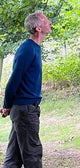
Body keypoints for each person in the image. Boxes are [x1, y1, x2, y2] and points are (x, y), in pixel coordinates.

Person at [1, 11, 52, 168]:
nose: (49, 22)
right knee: (33, 156)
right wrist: (7, 105)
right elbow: (14, 79)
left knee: (13, 158)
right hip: (25, 110)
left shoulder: (35, 48)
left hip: (26, 109)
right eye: (46, 21)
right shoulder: (27, 49)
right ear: (38, 28)